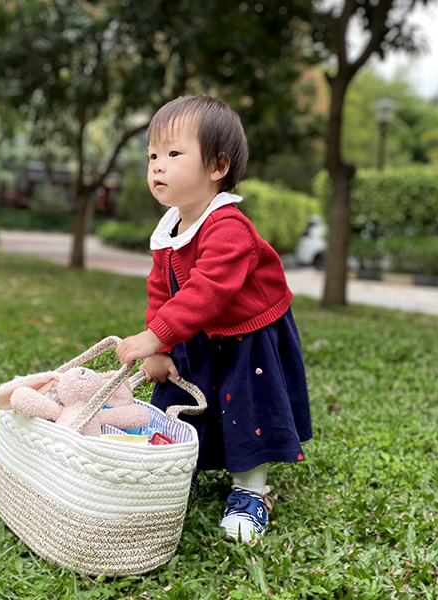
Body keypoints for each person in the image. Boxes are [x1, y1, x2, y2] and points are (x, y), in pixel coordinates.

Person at [116, 96, 312, 543]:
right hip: (200, 332)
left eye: (172, 154)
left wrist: (153, 336)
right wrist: (162, 348)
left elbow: (210, 291)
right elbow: (161, 289)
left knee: (246, 409)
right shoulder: (170, 228)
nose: (157, 166)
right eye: (152, 155)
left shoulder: (228, 226)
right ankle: (176, 468)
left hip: (247, 334)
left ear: (217, 165)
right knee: (178, 399)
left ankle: (250, 492)